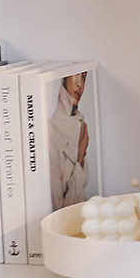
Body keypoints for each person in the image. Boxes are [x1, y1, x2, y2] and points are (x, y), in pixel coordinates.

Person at [49, 71, 91, 210]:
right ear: (65, 77)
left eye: (83, 78)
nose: (80, 84)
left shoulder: (79, 122)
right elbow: (59, 208)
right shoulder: (52, 129)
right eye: (76, 75)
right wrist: (80, 156)